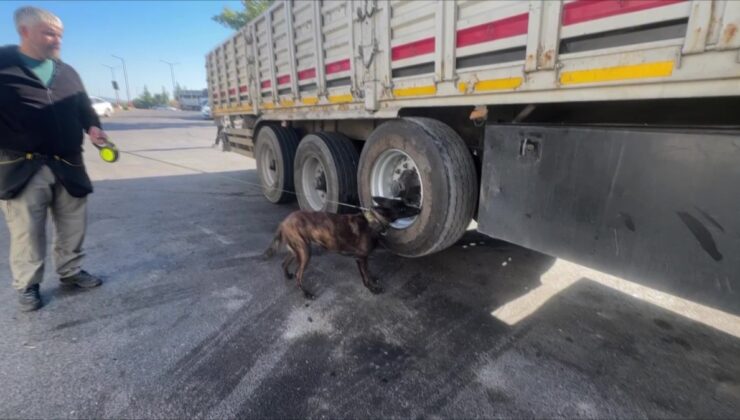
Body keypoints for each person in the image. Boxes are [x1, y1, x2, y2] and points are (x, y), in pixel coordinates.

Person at [0, 6, 107, 312]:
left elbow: (84, 107)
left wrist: (94, 127)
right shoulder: (3, 65)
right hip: (22, 165)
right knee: (27, 231)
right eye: (49, 33)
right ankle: (28, 285)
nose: (57, 40)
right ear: (24, 32)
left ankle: (71, 272)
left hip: (68, 162)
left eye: (59, 34)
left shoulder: (67, 71)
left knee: (73, 223)